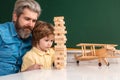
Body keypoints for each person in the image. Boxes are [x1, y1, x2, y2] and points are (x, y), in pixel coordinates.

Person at [0, 0, 41, 76]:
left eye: (34, 21)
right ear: (15, 17)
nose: (30, 24)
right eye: (27, 19)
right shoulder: (1, 32)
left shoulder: (32, 39)